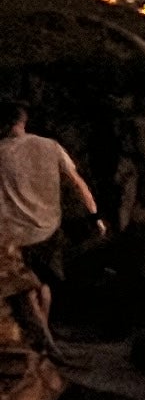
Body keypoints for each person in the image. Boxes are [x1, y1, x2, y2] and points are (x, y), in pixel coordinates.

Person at [0, 98, 103, 339]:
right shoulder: (50, 146)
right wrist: (94, 216)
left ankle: (39, 337)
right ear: (24, 120)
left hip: (11, 232)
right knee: (43, 284)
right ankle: (43, 336)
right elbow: (77, 183)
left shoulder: (1, 151)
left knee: (24, 286)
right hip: (46, 228)